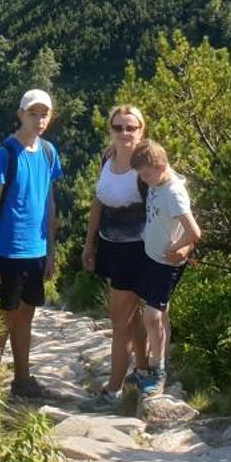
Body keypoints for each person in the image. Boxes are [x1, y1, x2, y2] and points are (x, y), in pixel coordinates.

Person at [0, 88, 63, 400]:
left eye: (44, 114)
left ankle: (22, 378)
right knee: (3, 316)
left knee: (26, 315)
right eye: (33, 113)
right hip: (8, 251)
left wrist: (51, 251)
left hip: (36, 250)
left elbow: (49, 202)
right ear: (20, 115)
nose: (39, 120)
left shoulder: (48, 152)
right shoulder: (6, 153)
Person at [80, 104, 154, 403]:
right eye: (118, 127)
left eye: (131, 127)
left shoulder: (148, 164)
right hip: (112, 243)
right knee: (129, 314)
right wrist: (90, 243)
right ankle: (144, 370)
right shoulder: (106, 160)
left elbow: (166, 201)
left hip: (142, 247)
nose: (124, 133)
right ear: (110, 130)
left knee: (120, 317)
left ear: (142, 130)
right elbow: (98, 201)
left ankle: (114, 388)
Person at [130, 139, 200, 397]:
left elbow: (194, 231)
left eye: (147, 174)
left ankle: (156, 372)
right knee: (161, 311)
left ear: (160, 166)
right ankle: (161, 362)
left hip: (164, 263)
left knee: (152, 316)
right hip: (152, 256)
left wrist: (180, 247)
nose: (145, 180)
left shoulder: (173, 192)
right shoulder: (159, 182)